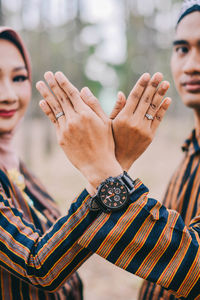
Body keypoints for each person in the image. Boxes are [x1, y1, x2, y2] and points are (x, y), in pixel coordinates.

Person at [36, 1, 200, 299]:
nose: (191, 65)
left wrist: (102, 167)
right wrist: (115, 163)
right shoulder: (191, 150)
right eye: (182, 49)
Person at [0, 26, 170, 299]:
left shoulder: (18, 168)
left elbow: (63, 246)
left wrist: (113, 165)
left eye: (19, 78)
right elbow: (39, 267)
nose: (8, 94)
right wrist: (109, 171)